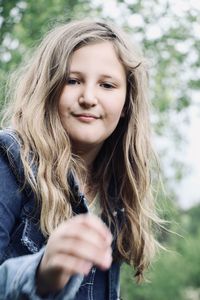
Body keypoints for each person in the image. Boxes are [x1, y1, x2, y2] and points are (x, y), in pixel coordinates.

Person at [0, 19, 160, 299]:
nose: (88, 97)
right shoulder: (10, 161)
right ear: (48, 88)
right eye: (72, 81)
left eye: (107, 85)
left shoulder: (116, 195)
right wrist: (40, 274)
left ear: (126, 104)